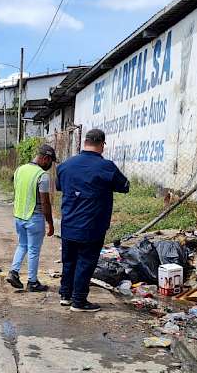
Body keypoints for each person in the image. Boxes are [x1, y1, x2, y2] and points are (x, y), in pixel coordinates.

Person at [56, 129, 129, 312]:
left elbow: (59, 186)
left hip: (68, 223)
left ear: (85, 142)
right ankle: (79, 301)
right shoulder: (106, 167)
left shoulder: (65, 166)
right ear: (102, 144)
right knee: (85, 262)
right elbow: (124, 186)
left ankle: (65, 295)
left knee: (69, 261)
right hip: (92, 225)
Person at [6, 144, 56, 292]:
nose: (50, 166)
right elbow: (45, 203)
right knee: (34, 250)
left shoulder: (19, 170)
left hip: (19, 216)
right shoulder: (42, 175)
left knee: (22, 245)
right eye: (50, 162)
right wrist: (50, 223)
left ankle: (13, 272)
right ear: (45, 158)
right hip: (34, 218)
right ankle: (32, 282)